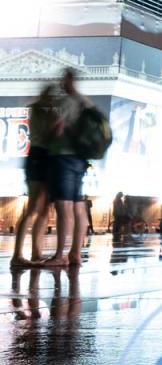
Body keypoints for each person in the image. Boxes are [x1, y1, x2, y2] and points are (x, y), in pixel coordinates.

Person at [42, 70, 96, 267]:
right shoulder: (86, 102)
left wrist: (48, 130)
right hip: (81, 160)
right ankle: (75, 254)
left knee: (63, 206)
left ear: (68, 81)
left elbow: (57, 128)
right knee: (79, 206)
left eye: (63, 80)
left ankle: (59, 255)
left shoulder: (66, 102)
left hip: (64, 156)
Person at [11, 85, 59, 266]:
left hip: (44, 158)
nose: (53, 98)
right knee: (32, 208)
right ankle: (17, 256)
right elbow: (46, 134)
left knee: (44, 210)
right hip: (38, 157)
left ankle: (36, 253)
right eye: (50, 95)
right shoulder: (38, 109)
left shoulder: (44, 110)